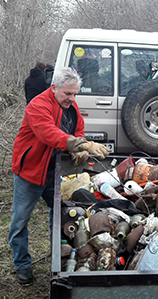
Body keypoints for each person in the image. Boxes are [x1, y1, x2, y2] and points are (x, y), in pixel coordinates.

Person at [9, 67, 109, 285]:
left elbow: (77, 129)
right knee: (20, 221)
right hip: (31, 172)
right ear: (54, 88)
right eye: (67, 94)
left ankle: (59, 257)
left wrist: (78, 147)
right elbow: (48, 133)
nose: (72, 99)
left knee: (62, 217)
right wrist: (80, 144)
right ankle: (22, 265)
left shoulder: (71, 107)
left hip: (54, 173)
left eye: (75, 94)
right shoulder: (38, 105)